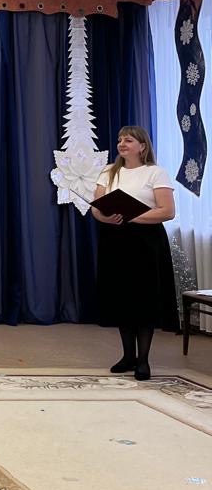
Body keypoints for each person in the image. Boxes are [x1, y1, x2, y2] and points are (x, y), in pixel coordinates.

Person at [91, 125, 177, 380]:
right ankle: (127, 356)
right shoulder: (108, 171)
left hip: (145, 242)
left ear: (142, 146)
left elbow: (167, 211)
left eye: (128, 140)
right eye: (120, 140)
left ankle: (143, 360)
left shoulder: (155, 172)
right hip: (115, 240)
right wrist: (106, 218)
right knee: (122, 298)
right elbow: (97, 207)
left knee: (143, 299)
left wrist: (132, 216)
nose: (122, 144)